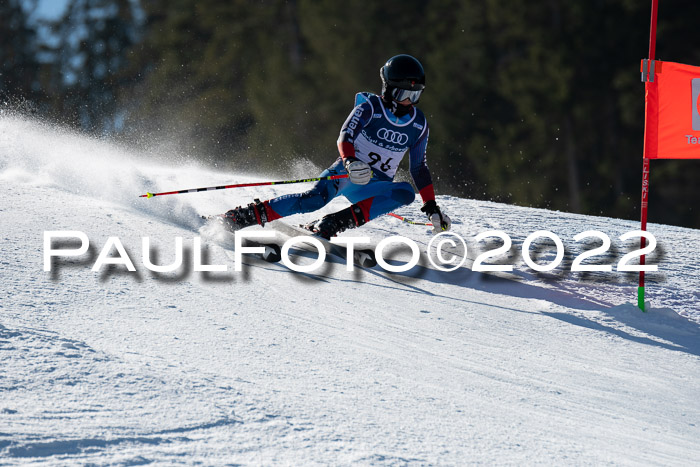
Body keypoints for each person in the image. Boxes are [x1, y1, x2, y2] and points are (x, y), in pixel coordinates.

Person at [221, 54, 451, 239]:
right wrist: (350, 161)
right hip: (347, 172)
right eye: (403, 94)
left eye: (415, 94)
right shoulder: (371, 107)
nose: (408, 101)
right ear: (389, 89)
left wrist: (431, 207)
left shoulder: (419, 124)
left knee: (405, 192)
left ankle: (331, 223)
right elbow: (346, 135)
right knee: (313, 201)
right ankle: (240, 217)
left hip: (374, 185)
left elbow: (419, 168)